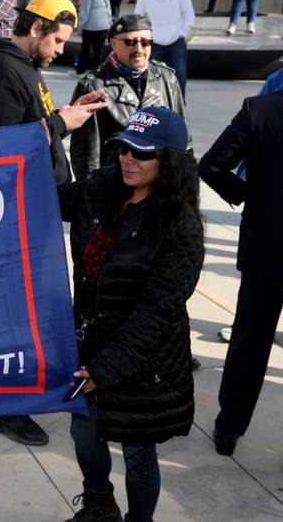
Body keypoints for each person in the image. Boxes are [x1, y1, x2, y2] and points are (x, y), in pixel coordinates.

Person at [0, 0, 107, 446]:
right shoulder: (2, 70)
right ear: (35, 30)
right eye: (57, 40)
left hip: (39, 203)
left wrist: (65, 116)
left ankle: (24, 394)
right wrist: (59, 124)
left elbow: (34, 127)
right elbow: (3, 147)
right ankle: (7, 407)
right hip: (15, 212)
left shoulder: (25, 68)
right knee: (17, 312)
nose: (61, 50)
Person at [59, 106, 203, 522]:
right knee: (84, 435)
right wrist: (48, 130)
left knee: (139, 455)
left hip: (143, 364)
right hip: (88, 347)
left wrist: (103, 371)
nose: (128, 159)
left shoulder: (181, 227)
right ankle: (99, 504)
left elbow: (155, 316)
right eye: (123, 148)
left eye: (142, 154)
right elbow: (39, 195)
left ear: (170, 162)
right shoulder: (102, 187)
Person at [198, 39, 283, 481]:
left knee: (250, 336)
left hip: (266, 239)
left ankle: (228, 428)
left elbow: (212, 166)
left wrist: (249, 196)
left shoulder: (260, 109)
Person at [70, 14, 188, 180]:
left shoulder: (167, 78)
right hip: (116, 187)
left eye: (146, 42)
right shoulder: (93, 87)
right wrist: (93, 197)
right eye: (130, 42)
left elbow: (183, 141)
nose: (139, 49)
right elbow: (86, 156)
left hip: (160, 188)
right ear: (113, 44)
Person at [135, 0, 195, 97]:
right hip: (154, 43)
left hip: (176, 41)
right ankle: (154, 107)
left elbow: (188, 13)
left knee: (179, 76)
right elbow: (138, 17)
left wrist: (183, 33)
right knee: (152, 77)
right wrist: (144, 36)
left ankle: (179, 110)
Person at [76, 0, 113, 77]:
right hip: (103, 27)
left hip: (90, 27)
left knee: (85, 50)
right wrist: (109, 24)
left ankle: (80, 71)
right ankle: (99, 72)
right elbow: (108, 10)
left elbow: (84, 13)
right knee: (99, 51)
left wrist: (80, 28)